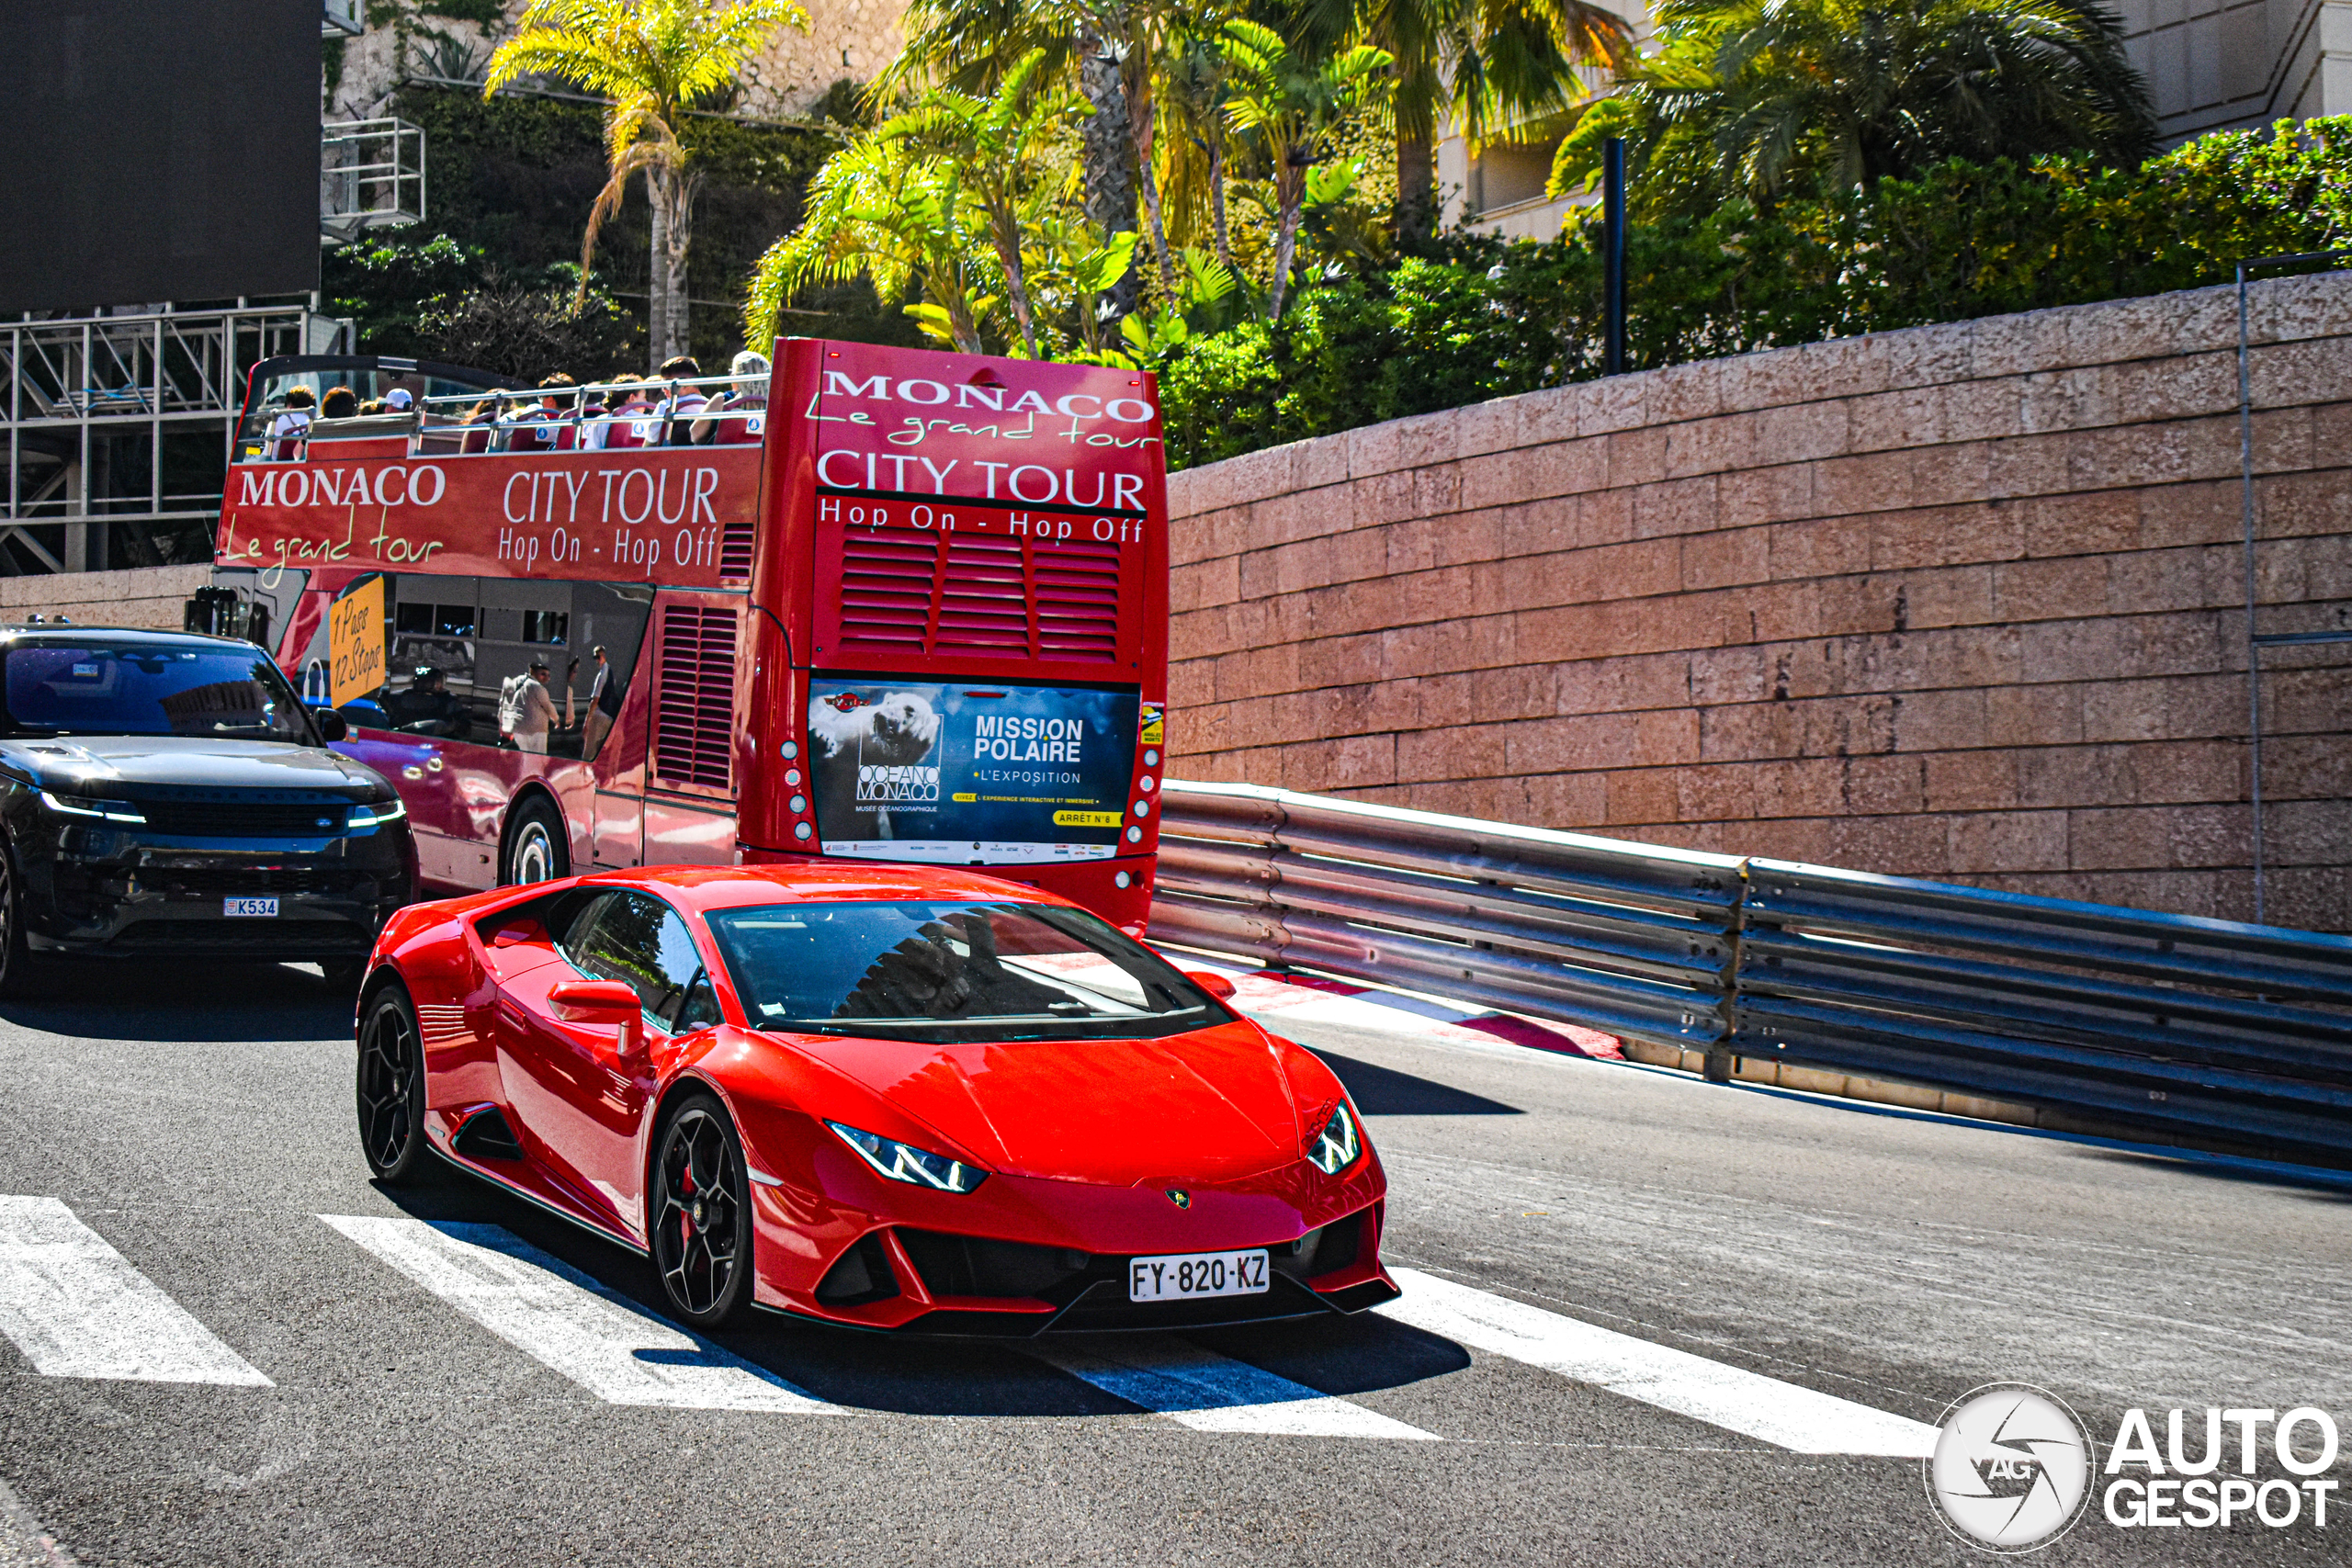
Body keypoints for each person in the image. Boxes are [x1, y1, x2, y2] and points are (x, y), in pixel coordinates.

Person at [692, 350, 769, 444]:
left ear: (737, 377)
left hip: (722, 455)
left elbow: (695, 435)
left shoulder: (722, 400)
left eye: (732, 372)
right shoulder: (774, 406)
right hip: (760, 456)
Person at [501, 659, 560, 754]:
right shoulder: (537, 687)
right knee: (538, 760)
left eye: (548, 675)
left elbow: (505, 698)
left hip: (518, 728)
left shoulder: (517, 681)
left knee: (524, 758)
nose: (547, 678)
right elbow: (548, 706)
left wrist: (501, 721)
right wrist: (556, 719)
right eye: (543, 674)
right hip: (536, 730)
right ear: (533, 672)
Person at [654, 355, 707, 446]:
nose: (663, 390)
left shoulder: (665, 406)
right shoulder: (710, 405)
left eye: (667, 385)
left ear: (685, 384)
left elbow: (651, 441)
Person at [578, 644, 614, 758]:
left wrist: (586, 722)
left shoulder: (602, 675)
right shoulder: (610, 672)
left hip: (598, 715)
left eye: (598, 657)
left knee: (589, 753)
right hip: (608, 715)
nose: (597, 661)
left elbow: (595, 700)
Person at [267, 386, 314, 458]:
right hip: (299, 464)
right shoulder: (312, 424)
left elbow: (267, 447)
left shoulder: (275, 421)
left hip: (272, 464)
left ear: (290, 404)